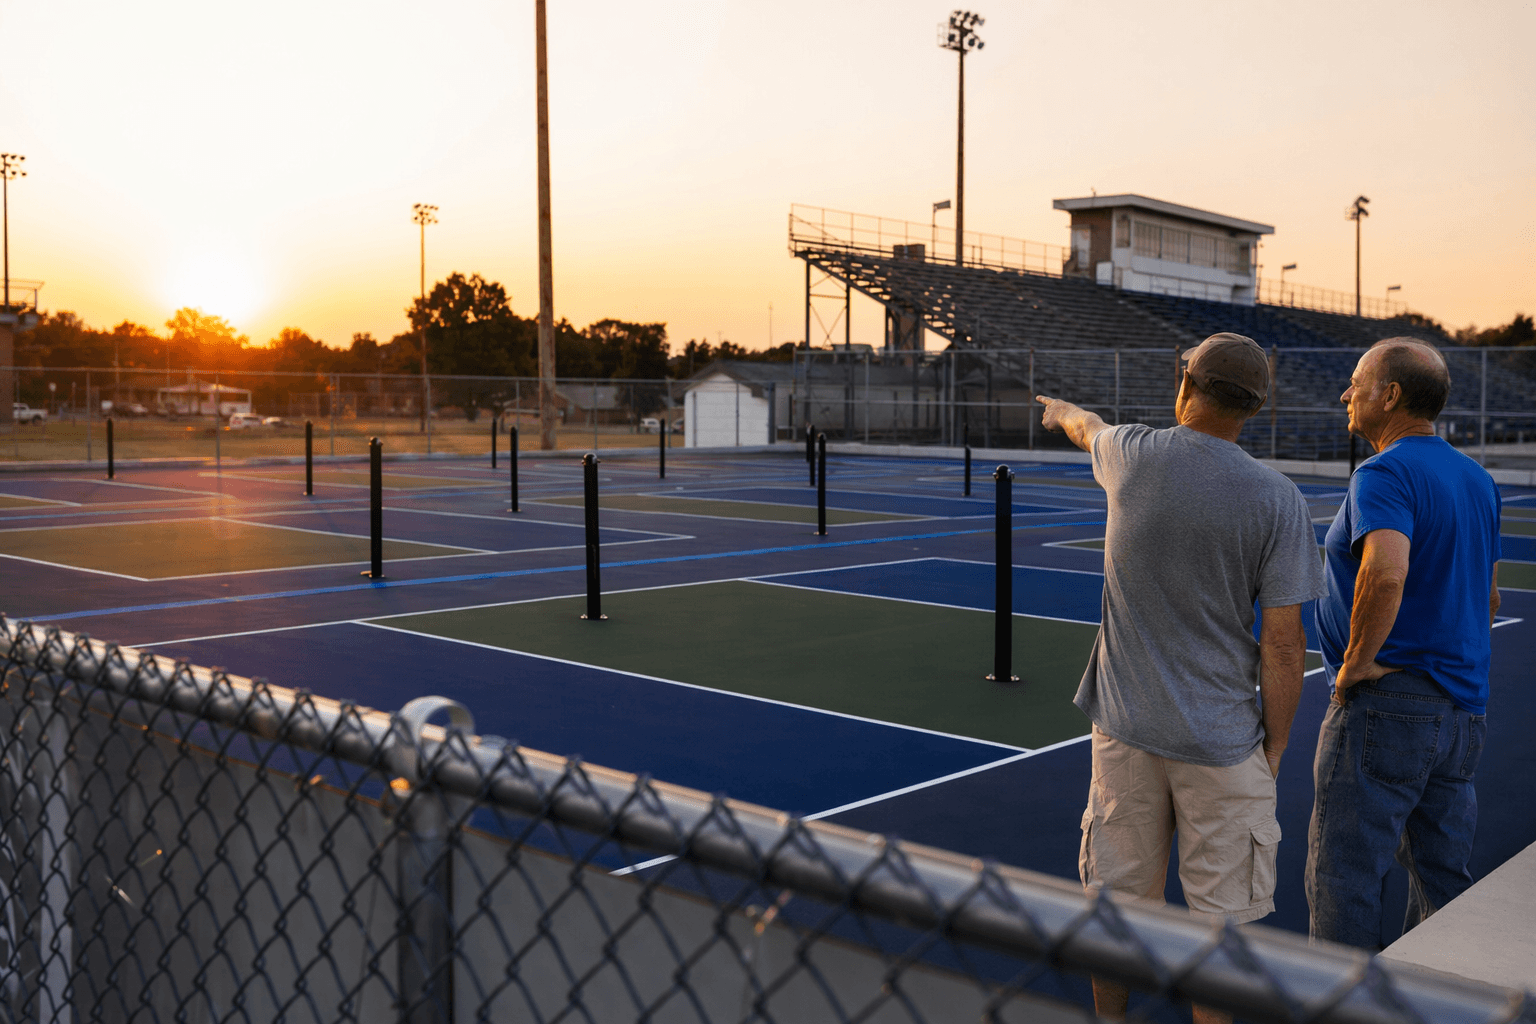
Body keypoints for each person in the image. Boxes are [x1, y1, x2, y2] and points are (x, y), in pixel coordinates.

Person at [1038, 332, 1324, 1024]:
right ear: (1255, 406)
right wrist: (1275, 750)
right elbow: (1283, 646)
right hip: (1224, 746)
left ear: (1184, 382)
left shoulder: (1130, 454)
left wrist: (1060, 409)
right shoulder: (1278, 499)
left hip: (1126, 735)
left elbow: (1086, 427)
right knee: (1216, 936)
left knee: (1117, 912)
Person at [1307, 338, 1501, 949]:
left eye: (1356, 382)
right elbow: (1489, 600)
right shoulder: (1476, 478)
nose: (1345, 394)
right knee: (1443, 878)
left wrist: (1354, 668)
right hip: (1463, 712)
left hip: (1390, 705)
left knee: (1345, 879)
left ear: (1388, 396)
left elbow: (1386, 571)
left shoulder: (1384, 471)